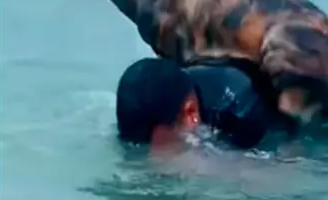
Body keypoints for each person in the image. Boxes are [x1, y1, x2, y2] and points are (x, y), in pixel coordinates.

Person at [115, 57, 293, 151]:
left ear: (190, 113)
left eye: (153, 148)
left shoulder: (242, 110)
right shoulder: (153, 105)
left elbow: (283, 166)